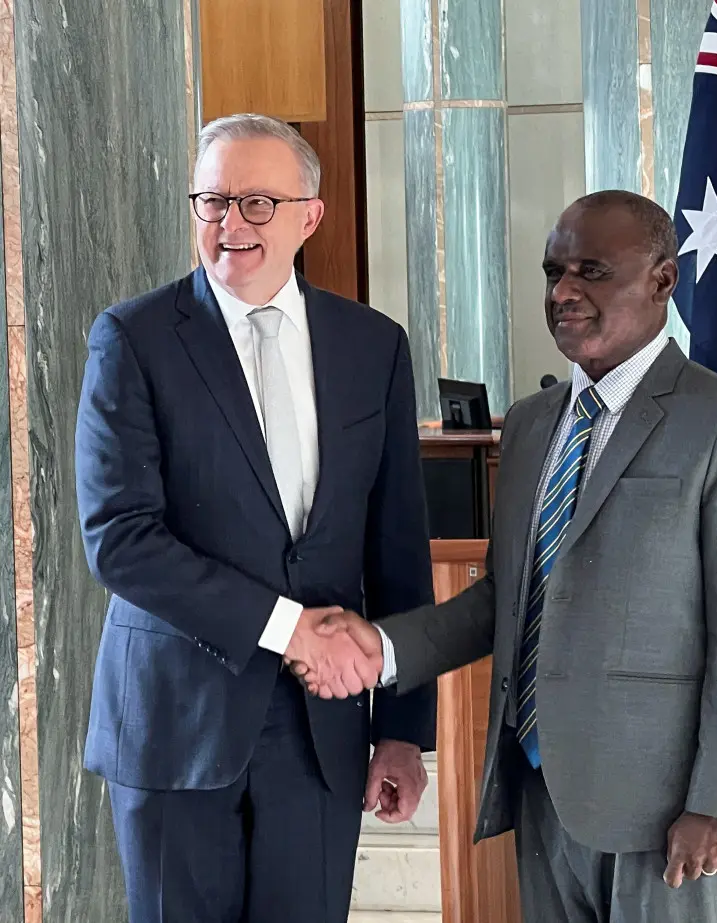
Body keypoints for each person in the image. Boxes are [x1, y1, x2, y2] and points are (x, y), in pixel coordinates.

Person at [291, 190, 717, 922]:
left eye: (592, 271)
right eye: (552, 271)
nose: (564, 292)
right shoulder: (530, 424)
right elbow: (507, 597)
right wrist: (381, 647)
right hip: (542, 793)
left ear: (663, 278)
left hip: (668, 816)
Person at [74, 113, 437, 923]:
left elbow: (397, 549)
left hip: (321, 732)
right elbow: (120, 540)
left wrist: (405, 729)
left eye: (257, 203)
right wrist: (289, 627)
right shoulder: (132, 339)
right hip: (175, 724)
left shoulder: (373, 346)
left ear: (310, 214)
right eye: (213, 201)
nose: (230, 224)